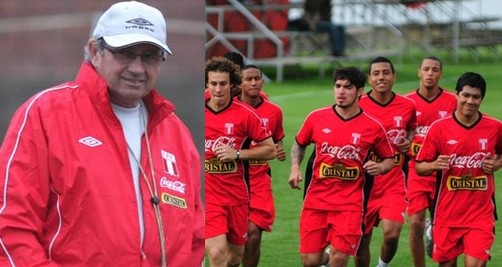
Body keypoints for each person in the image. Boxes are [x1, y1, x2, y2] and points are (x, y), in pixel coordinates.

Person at [0, 1, 204, 266]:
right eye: (126, 53)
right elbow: (10, 224)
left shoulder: (176, 131)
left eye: (150, 56)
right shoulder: (45, 114)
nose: (138, 68)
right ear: (95, 51)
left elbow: (194, 237)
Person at [288, 66, 395, 267]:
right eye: (337, 86)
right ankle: (324, 257)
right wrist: (295, 167)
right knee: (310, 261)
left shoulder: (373, 126)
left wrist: (380, 168)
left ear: (360, 91)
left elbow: (389, 158)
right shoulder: (316, 118)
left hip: (350, 205)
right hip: (316, 201)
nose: (341, 91)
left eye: (347, 87)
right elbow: (299, 144)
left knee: (339, 259)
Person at [415, 72, 502, 266]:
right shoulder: (439, 128)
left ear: (482, 99)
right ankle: (433, 231)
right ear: (457, 95)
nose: (470, 101)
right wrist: (433, 165)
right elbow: (419, 167)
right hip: (447, 214)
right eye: (466, 95)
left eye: (476, 97)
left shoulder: (495, 127)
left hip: (481, 215)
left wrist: (497, 163)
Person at [205, 57, 276, 267]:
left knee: (234, 259)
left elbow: (270, 150)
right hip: (209, 196)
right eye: (214, 83)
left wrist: (236, 154)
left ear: (232, 85)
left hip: (237, 196)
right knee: (217, 253)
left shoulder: (246, 115)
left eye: (223, 84)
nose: (218, 89)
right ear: (207, 84)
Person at [356, 56, 417, 267]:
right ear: (369, 79)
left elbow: (412, 127)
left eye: (385, 73)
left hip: (393, 182)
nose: (381, 77)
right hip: (363, 185)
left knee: (391, 235)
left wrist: (408, 141)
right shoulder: (358, 104)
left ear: (394, 77)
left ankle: (383, 265)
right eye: (376, 73)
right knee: (361, 240)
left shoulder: (408, 105)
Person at [404, 56, 457, 267]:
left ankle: (432, 231)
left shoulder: (453, 101)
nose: (430, 73)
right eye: (426, 69)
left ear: (440, 74)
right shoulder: (407, 102)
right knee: (415, 224)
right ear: (419, 72)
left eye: (435, 69)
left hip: (445, 174)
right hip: (416, 171)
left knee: (443, 228)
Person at [236, 65, 286, 267]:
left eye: (257, 78)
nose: (254, 82)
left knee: (254, 235)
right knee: (233, 243)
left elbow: (277, 140)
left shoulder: (273, 111)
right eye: (249, 79)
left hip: (259, 180)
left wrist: (279, 149)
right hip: (232, 180)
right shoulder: (229, 108)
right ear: (239, 83)